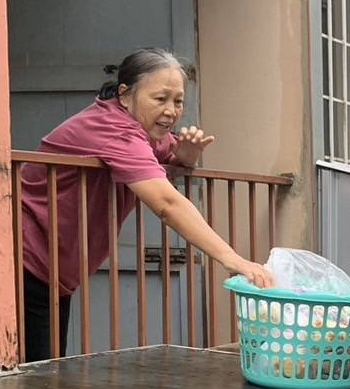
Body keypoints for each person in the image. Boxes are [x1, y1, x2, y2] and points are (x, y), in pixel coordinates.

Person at [18, 48, 275, 361]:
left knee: (47, 368)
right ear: (126, 95)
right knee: (38, 374)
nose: (171, 111)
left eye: (178, 101)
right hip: (28, 257)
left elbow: (169, 155)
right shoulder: (114, 130)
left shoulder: (142, 131)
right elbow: (167, 202)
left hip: (55, 266)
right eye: (160, 99)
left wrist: (188, 155)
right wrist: (233, 259)